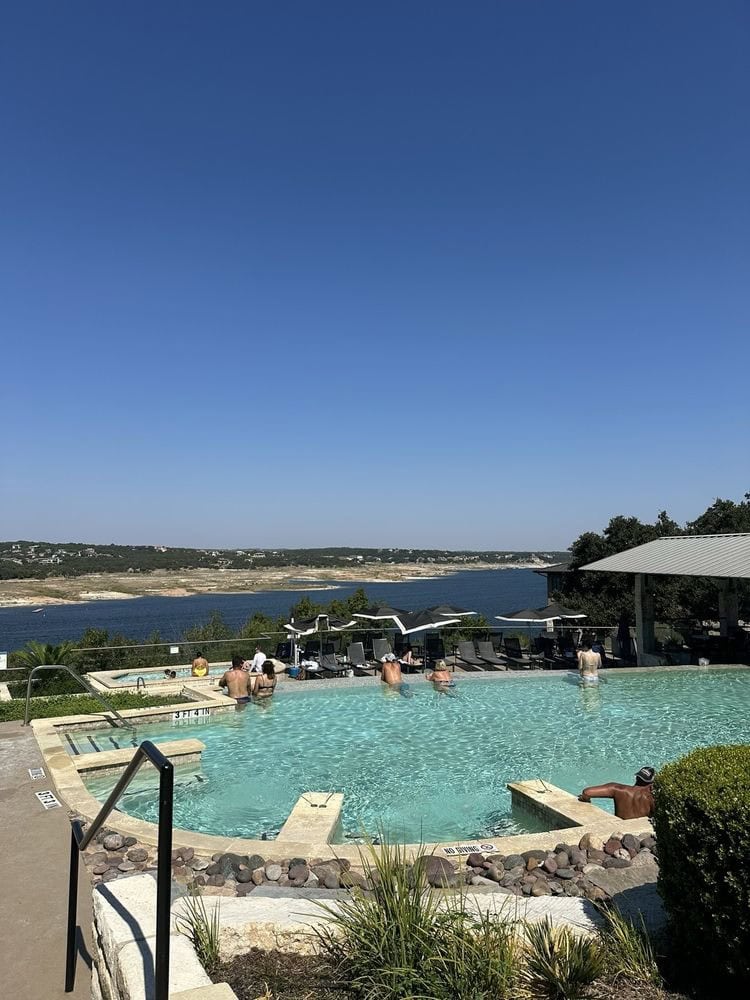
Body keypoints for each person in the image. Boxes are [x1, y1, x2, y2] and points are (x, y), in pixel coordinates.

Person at [578, 766, 656, 819]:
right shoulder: (651, 798)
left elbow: (587, 792)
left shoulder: (618, 789)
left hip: (618, 831)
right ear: (651, 783)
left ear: (636, 777)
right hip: (638, 836)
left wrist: (585, 799)